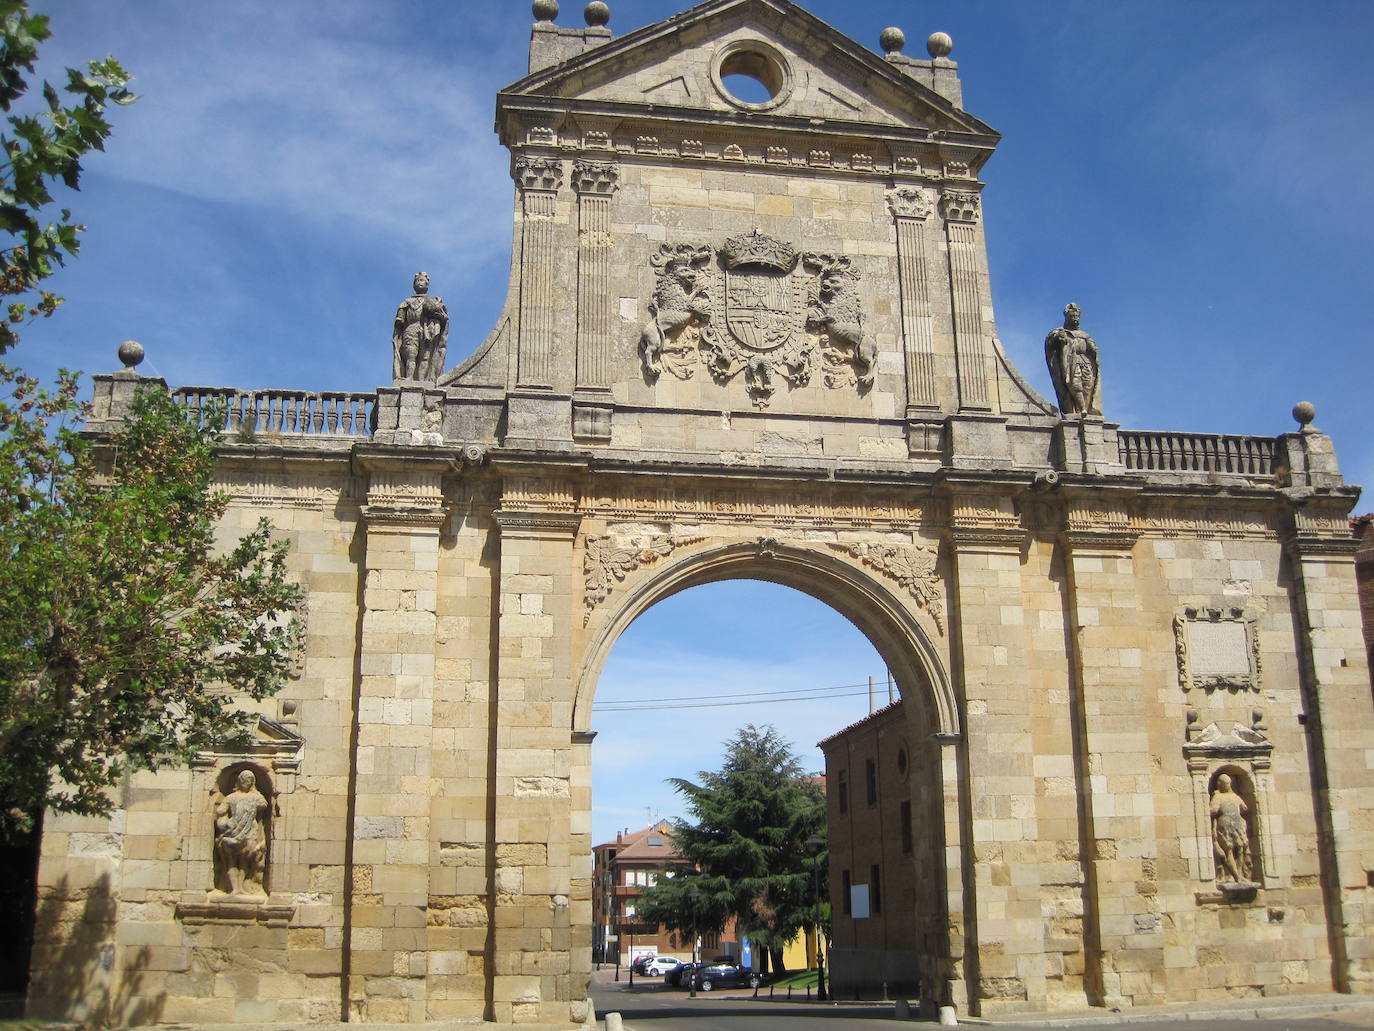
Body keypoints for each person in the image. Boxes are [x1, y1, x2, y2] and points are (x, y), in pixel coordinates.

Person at [214, 769, 270, 897]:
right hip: (232, 831)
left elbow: (264, 805)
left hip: (250, 831)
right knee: (231, 859)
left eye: (249, 780)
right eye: (244, 779)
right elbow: (221, 810)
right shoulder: (231, 797)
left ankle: (241, 887)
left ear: (252, 782)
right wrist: (224, 822)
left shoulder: (256, 797)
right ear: (239, 781)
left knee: (246, 858)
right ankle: (235, 888)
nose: (246, 782)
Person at [1043, 302, 1102, 417]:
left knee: (1087, 386)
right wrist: (1058, 339)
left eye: (1077, 317)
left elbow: (1093, 348)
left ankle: (1086, 409)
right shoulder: (1060, 332)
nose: (1076, 319)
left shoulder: (1084, 335)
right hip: (1071, 362)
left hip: (1086, 363)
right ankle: (1081, 409)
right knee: (1074, 385)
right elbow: (1051, 342)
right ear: (1067, 317)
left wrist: (1092, 348)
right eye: (1073, 317)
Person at [392, 271, 449, 382]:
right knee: (411, 355)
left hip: (426, 331)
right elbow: (399, 322)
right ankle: (409, 377)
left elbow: (443, 316)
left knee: (425, 357)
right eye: (418, 280)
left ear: (427, 284)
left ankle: (422, 380)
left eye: (422, 280)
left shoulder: (433, 301)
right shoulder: (406, 303)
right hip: (411, 330)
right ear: (414, 284)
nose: (420, 283)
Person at [1210, 773, 1253, 885]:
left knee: (1228, 850)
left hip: (1225, 823)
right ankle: (1238, 874)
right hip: (1239, 823)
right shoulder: (1236, 797)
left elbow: (1213, 810)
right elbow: (1244, 808)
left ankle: (1235, 876)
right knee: (1240, 850)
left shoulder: (1218, 797)